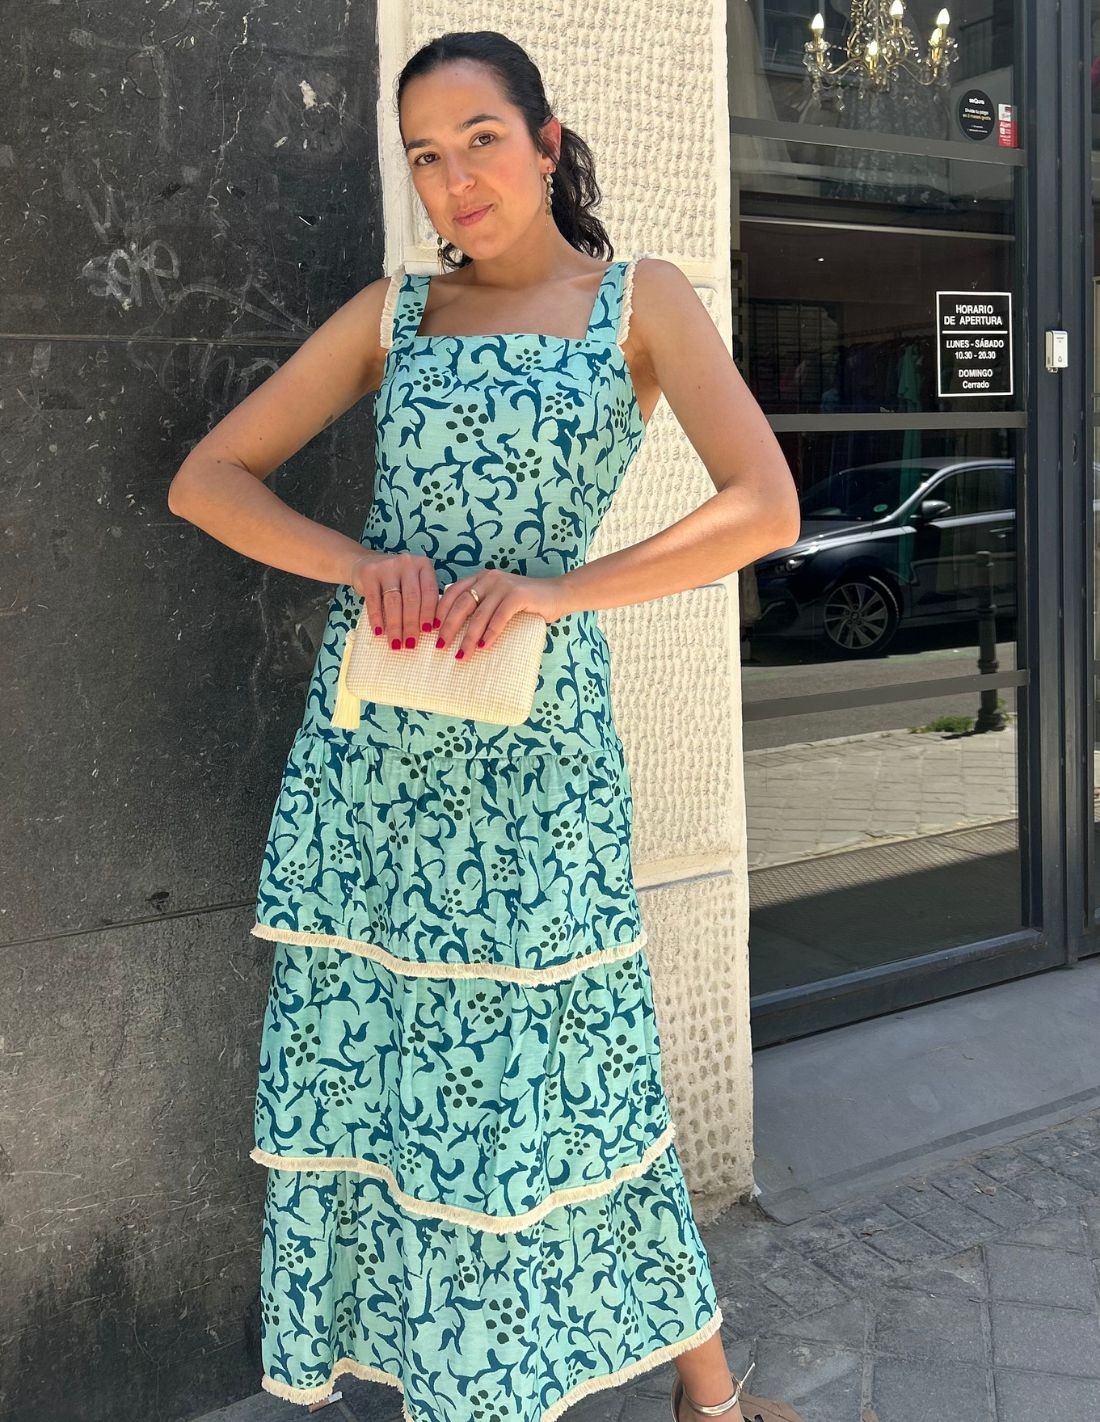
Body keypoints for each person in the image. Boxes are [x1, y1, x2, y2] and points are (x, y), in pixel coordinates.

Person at [167, 28, 802, 1422]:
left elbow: (766, 505)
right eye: (425, 157)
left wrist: (561, 589)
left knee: (576, 1057)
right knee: (397, 1070)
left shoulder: (638, 301)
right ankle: (534, 1384)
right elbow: (208, 479)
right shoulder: (395, 314)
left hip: (537, 755)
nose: (456, 180)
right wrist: (358, 563)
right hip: (379, 752)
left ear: (547, 143)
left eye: (482, 141)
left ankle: (703, 1393)